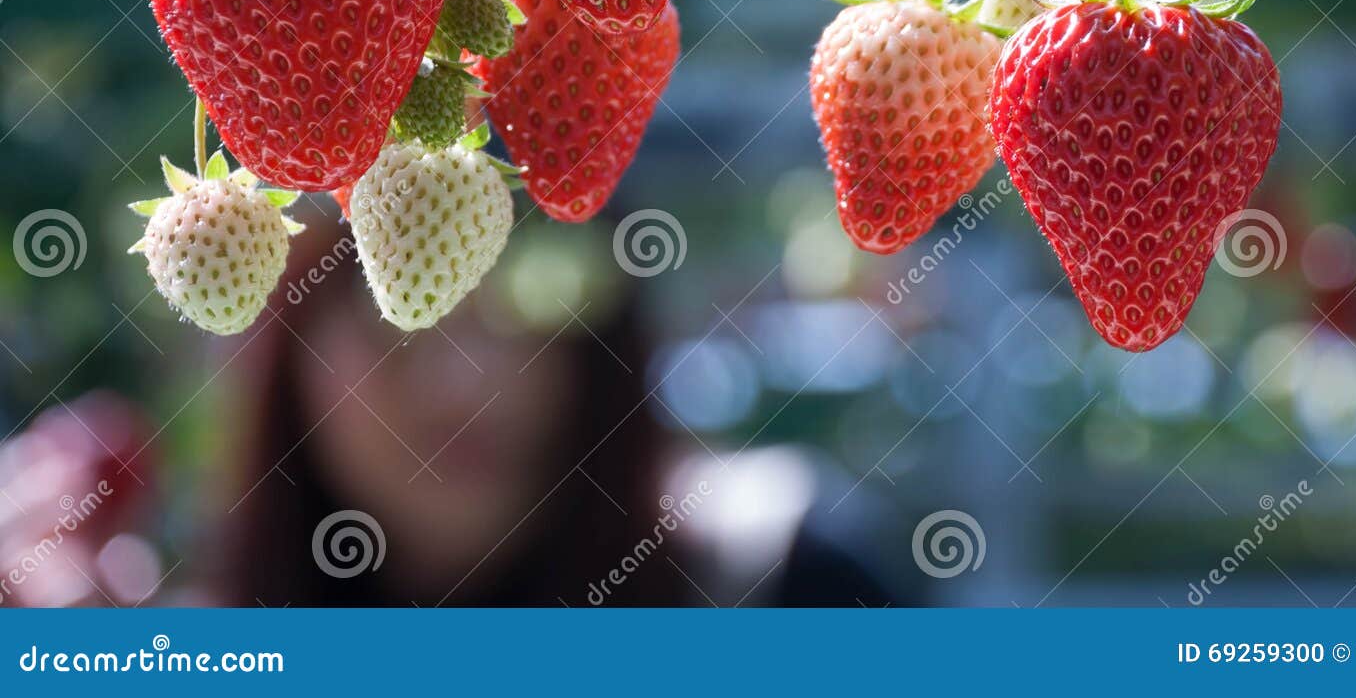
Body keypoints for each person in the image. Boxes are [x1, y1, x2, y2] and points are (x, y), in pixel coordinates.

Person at [1, 205, 893, 607]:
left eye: (523, 293)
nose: (464, 382)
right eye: (392, 301)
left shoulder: (792, 591)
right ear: (290, 335)